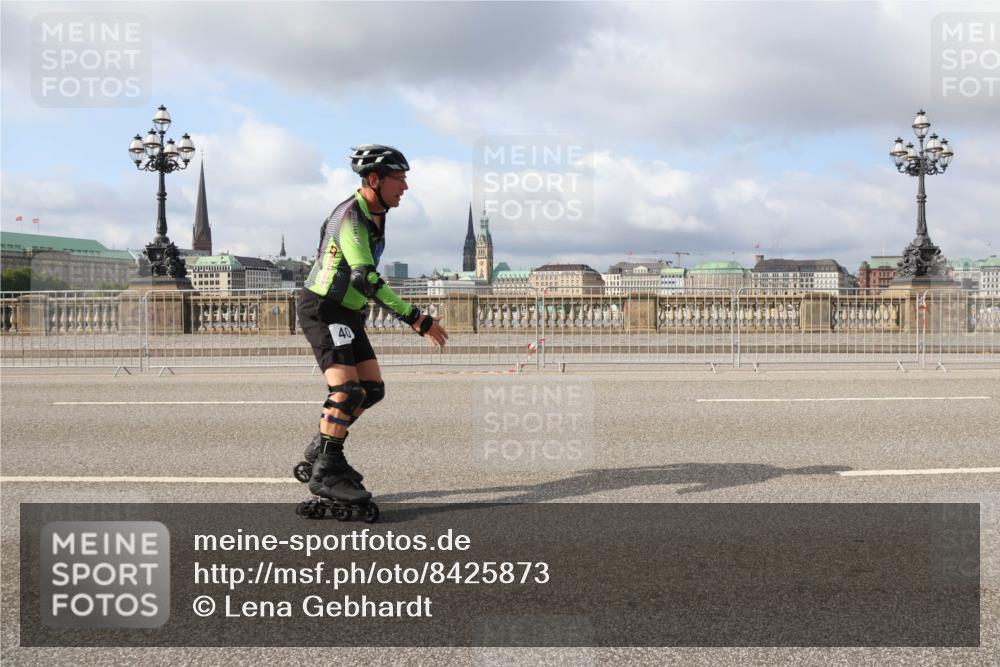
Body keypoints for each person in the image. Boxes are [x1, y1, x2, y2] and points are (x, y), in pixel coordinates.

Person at [296, 144, 448, 506]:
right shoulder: (351, 217)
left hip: (347, 312)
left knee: (371, 389)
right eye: (400, 179)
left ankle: (324, 447)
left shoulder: (377, 212)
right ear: (374, 179)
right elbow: (366, 279)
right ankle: (327, 471)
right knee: (347, 392)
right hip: (324, 307)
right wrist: (416, 318)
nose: (406, 187)